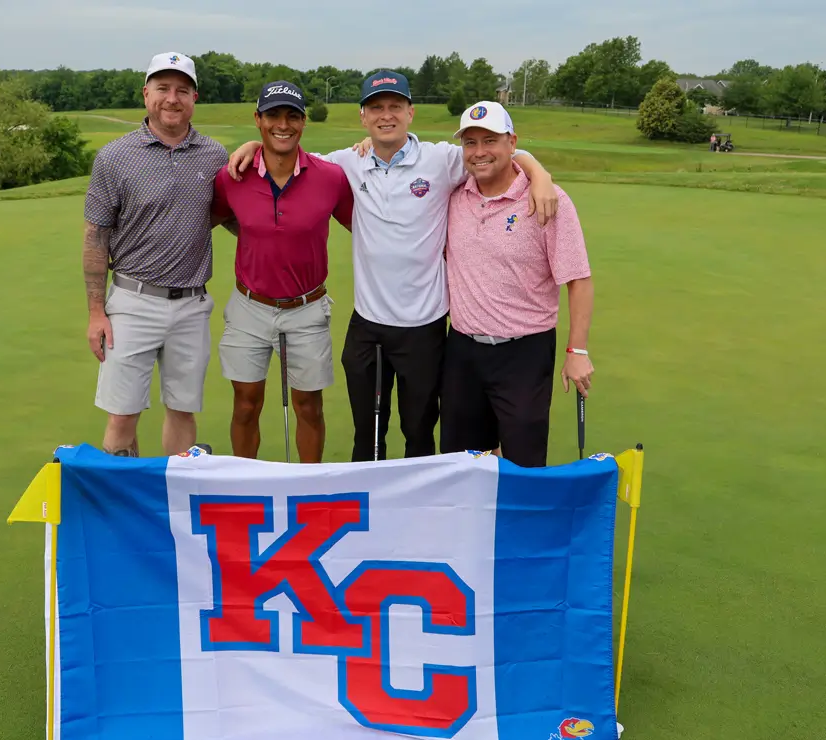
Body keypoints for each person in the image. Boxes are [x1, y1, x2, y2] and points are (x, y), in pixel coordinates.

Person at [227, 70, 559, 462]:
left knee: (419, 429)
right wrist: (252, 144)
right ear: (363, 117)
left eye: (395, 107)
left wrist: (538, 172)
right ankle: (369, 513)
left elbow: (493, 151)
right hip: (368, 324)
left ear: (410, 112)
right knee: (366, 435)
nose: (387, 115)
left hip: (425, 326)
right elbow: (286, 155)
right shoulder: (344, 164)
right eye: (377, 108)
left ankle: (416, 511)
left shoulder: (441, 160)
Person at [81, 52, 230, 459]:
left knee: (183, 411)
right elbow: (96, 238)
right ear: (146, 94)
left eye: (182, 90)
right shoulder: (114, 157)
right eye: (163, 88)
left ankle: (172, 499)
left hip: (192, 305)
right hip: (132, 302)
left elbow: (231, 214)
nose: (172, 98)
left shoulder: (215, 156)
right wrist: (97, 312)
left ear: (194, 97)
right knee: (122, 416)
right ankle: (120, 505)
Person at [439, 100, 594, 468]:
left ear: (512, 142)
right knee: (462, 461)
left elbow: (578, 279)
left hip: (525, 352)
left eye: (490, 140)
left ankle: (522, 526)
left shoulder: (547, 201)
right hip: (463, 350)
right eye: (470, 142)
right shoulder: (456, 194)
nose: (479, 152)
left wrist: (578, 351)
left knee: (524, 459)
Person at [209, 81, 354, 463]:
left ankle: (309, 486)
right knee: (245, 404)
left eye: (292, 115)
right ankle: (246, 482)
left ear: (303, 122)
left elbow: (366, 227)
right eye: (273, 115)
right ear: (258, 120)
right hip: (249, 306)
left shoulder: (330, 177)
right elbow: (208, 217)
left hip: (307, 307)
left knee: (309, 406)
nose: (283, 124)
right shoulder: (232, 177)